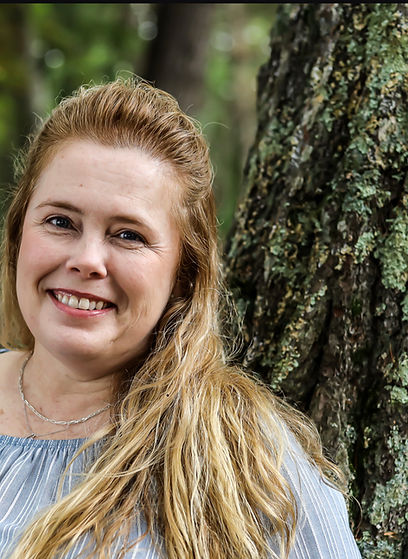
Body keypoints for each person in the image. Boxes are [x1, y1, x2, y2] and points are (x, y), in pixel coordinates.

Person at [0, 78, 362, 559]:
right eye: (60, 222)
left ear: (183, 275)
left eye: (128, 235)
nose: (88, 260)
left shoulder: (246, 455)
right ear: (19, 232)